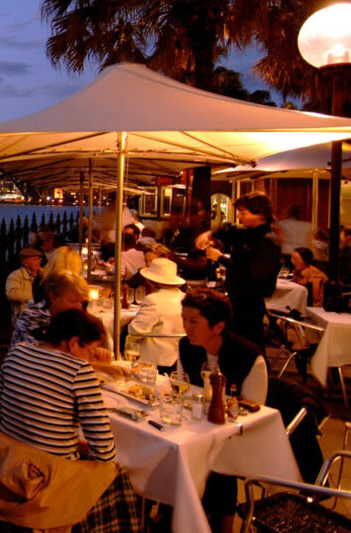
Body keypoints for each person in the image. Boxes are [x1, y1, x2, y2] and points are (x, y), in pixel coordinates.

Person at [0, 309, 142, 532]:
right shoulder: (79, 372)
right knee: (118, 475)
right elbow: (104, 452)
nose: (90, 359)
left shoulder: (17, 353)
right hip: (52, 481)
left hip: (10, 466)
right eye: (90, 352)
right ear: (73, 343)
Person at [176, 287, 267, 533]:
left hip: (238, 436)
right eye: (184, 320)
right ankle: (176, 515)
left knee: (215, 457)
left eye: (193, 322)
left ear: (218, 326)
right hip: (196, 426)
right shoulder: (187, 347)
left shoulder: (249, 356)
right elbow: (181, 388)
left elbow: (253, 414)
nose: (187, 328)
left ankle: (219, 522)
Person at [198, 191, 281, 350]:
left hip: (250, 303)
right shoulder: (247, 233)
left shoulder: (268, 241)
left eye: (243, 213)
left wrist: (220, 258)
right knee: (235, 344)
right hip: (237, 299)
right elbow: (227, 232)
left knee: (250, 345)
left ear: (260, 214)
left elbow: (251, 274)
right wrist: (209, 235)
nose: (239, 217)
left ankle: (259, 373)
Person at [127, 258, 186, 371]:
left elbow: (136, 330)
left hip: (155, 360)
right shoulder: (185, 297)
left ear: (151, 281)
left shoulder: (153, 300)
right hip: (180, 358)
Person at [2, 247, 42, 340]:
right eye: (35, 259)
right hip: (23, 316)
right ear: (25, 263)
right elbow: (12, 293)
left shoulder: (43, 274)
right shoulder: (15, 276)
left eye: (39, 259)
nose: (39, 261)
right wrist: (37, 297)